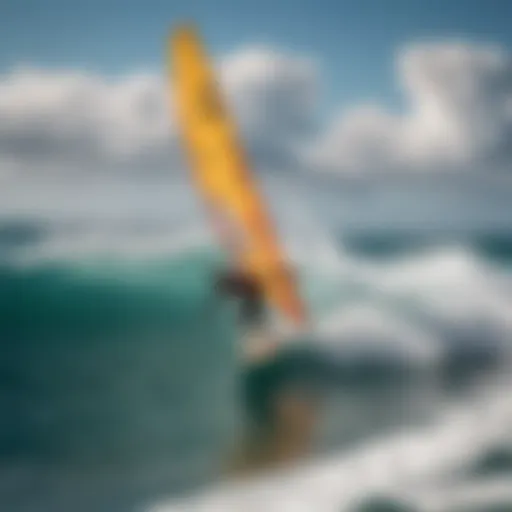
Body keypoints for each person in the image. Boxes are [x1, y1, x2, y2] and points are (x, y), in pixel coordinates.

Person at [213, 267, 322, 473]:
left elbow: (255, 299)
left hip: (263, 365)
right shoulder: (253, 305)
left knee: (264, 414)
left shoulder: (254, 305)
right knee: (263, 415)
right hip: (263, 363)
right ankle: (273, 450)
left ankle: (272, 452)